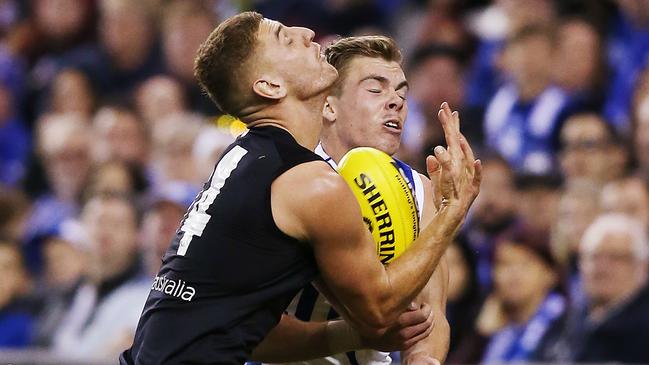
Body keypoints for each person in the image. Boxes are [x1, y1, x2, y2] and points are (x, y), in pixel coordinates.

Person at [121, 12, 481, 365]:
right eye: (284, 38)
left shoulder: (248, 156)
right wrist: (454, 209)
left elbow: (252, 328)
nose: (306, 32)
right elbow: (379, 311)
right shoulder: (310, 183)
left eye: (401, 90)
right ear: (272, 87)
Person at [274, 35, 449, 365]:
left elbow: (431, 313)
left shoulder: (420, 188)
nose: (395, 101)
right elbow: (256, 325)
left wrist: (424, 358)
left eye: (401, 92)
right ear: (328, 105)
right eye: (376, 88)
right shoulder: (290, 180)